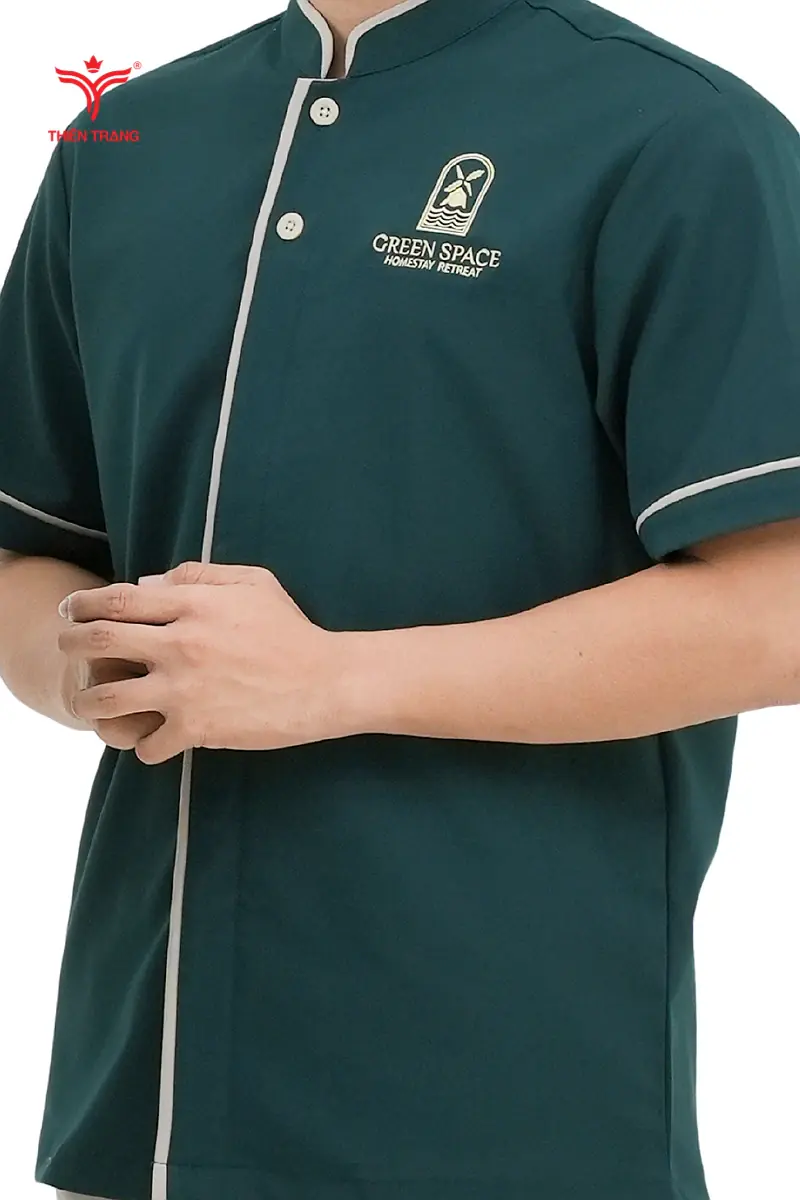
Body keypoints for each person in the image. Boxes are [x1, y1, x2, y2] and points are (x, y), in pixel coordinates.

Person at [1, 0, 799, 1197]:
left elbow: (778, 609)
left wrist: (334, 678)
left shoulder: (677, 134)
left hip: (507, 1109)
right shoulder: (124, 139)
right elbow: (29, 552)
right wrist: (78, 669)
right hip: (140, 1107)